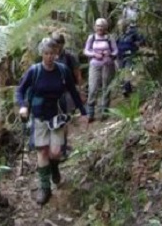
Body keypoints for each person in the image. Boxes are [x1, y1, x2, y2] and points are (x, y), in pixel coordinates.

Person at [16, 38, 87, 206]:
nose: (49, 57)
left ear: (56, 53)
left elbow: (72, 91)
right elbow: (20, 90)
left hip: (57, 115)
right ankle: (45, 188)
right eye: (46, 53)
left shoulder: (63, 71)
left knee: (55, 152)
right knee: (42, 151)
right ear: (42, 54)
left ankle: (54, 166)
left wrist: (84, 112)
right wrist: (22, 107)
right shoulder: (34, 71)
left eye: (52, 53)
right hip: (39, 116)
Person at [51, 31, 86, 159]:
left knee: (63, 120)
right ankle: (59, 147)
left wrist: (81, 91)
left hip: (66, 92)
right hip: (51, 93)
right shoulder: (49, 56)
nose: (56, 46)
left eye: (58, 43)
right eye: (54, 43)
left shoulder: (69, 57)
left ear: (62, 44)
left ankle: (63, 148)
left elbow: (77, 74)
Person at [83, 18, 118, 122]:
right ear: (95, 27)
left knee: (106, 88)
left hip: (108, 65)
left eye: (102, 26)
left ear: (106, 27)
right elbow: (86, 50)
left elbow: (115, 51)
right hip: (95, 65)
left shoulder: (109, 37)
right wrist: (94, 54)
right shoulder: (92, 37)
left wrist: (110, 54)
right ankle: (90, 112)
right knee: (93, 88)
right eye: (98, 26)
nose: (100, 28)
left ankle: (104, 112)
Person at [116, 18, 145, 97]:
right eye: (119, 25)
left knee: (127, 71)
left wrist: (137, 45)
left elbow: (141, 39)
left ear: (125, 25)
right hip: (120, 56)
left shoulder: (133, 32)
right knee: (121, 72)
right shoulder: (119, 35)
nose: (120, 27)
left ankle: (126, 89)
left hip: (130, 55)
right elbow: (115, 44)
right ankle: (127, 88)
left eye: (121, 25)